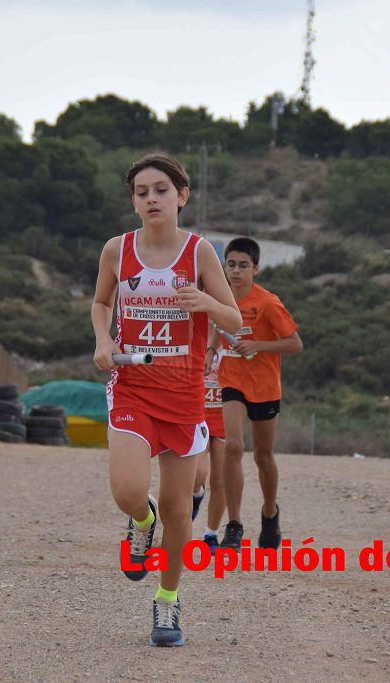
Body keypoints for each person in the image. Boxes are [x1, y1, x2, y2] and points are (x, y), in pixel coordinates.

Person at [92, 152, 241, 647]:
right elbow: (101, 303)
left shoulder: (199, 253)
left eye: (161, 190)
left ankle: (167, 601)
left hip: (184, 395)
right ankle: (140, 520)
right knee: (128, 491)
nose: (151, 198)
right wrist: (103, 340)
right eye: (141, 192)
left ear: (182, 196)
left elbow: (235, 320)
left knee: (181, 510)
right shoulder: (118, 249)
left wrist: (207, 303)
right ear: (133, 202)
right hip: (133, 387)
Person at [209, 237, 302, 551]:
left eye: (243, 266)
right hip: (231, 379)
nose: (235, 271)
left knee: (263, 457)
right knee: (232, 446)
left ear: (256, 269)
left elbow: (295, 343)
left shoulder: (267, 303)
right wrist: (210, 349)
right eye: (231, 264)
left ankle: (270, 512)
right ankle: (234, 525)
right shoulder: (220, 296)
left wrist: (258, 346)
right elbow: (215, 324)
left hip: (264, 385)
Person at [195, 350, 227, 554]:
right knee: (197, 475)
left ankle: (211, 534)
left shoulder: (232, 333)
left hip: (225, 416)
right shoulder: (194, 333)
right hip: (198, 415)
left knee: (220, 480)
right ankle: (196, 494)